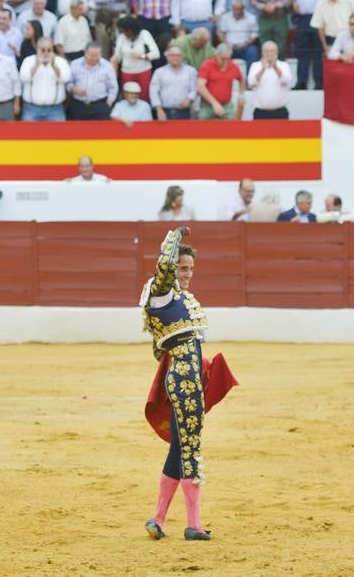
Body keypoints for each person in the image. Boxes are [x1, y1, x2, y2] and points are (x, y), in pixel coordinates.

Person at [141, 227, 232, 543]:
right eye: (182, 268)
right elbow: (164, 268)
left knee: (180, 449)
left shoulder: (181, 297)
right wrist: (173, 238)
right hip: (182, 380)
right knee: (190, 449)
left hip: (189, 379)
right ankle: (193, 524)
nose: (187, 274)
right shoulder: (162, 291)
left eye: (191, 269)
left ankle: (158, 519)